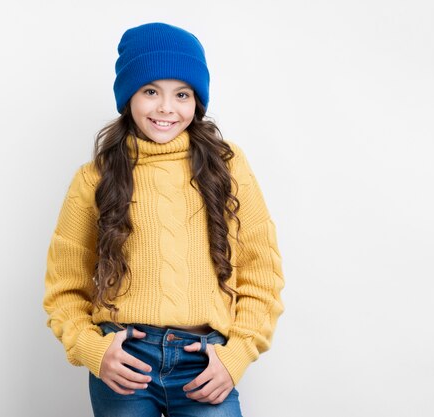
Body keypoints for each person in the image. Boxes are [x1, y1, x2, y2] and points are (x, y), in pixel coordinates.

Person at [43, 22, 284, 417]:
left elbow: (262, 273)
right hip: (125, 361)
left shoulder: (227, 166)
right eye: (151, 91)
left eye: (182, 94)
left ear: (197, 101)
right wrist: (92, 349)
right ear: (128, 96)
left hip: (204, 362)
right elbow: (64, 289)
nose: (166, 108)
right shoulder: (95, 178)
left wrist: (237, 353)